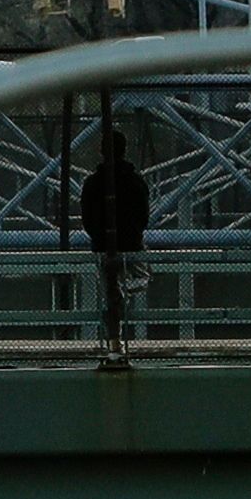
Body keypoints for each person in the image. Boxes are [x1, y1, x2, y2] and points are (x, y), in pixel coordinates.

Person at [83, 123, 151, 356]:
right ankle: (125, 294)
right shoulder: (135, 181)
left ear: (102, 151)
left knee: (109, 290)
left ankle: (114, 338)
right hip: (132, 242)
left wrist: (98, 236)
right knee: (143, 276)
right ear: (124, 150)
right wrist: (134, 233)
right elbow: (144, 213)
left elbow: (87, 217)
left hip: (104, 246)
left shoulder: (92, 183)